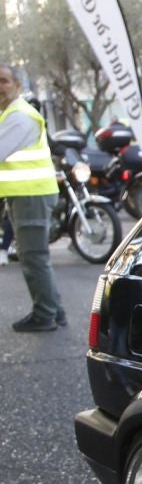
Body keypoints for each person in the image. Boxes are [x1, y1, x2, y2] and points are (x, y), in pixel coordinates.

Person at [0, 64, 66, 331]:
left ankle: (45, 315)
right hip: (25, 194)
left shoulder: (20, 117)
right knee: (34, 256)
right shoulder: (9, 114)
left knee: (33, 257)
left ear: (17, 85)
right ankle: (55, 310)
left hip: (32, 195)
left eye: (3, 81)